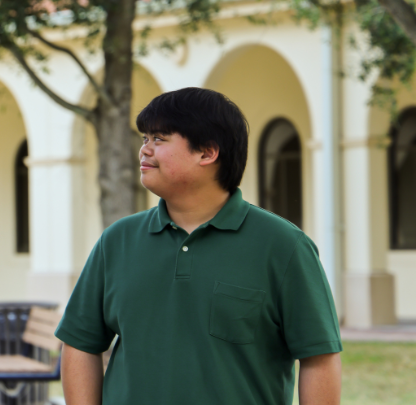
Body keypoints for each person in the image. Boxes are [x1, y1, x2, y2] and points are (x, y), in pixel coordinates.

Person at [56, 87, 342, 404]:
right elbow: (80, 342)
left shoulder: (284, 247)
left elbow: (319, 358)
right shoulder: (117, 241)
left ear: (207, 152)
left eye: (159, 139)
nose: (144, 150)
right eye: (144, 139)